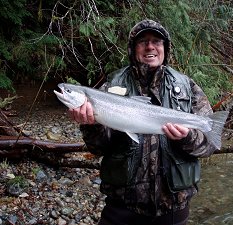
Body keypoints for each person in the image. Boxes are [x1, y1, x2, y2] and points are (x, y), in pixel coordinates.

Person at [69, 19, 219, 225]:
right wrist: (90, 124)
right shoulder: (111, 87)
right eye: (143, 41)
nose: (150, 46)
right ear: (133, 49)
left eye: (156, 41)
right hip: (121, 206)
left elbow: (209, 146)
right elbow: (98, 148)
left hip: (174, 207)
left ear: (165, 48)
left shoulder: (187, 86)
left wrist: (187, 136)